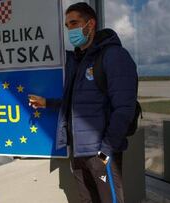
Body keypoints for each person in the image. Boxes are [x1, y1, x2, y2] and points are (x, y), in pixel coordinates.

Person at [29, 2, 138, 203]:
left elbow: (124, 109)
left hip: (102, 154)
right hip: (78, 152)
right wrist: (48, 103)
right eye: (67, 25)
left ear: (90, 24)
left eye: (74, 23)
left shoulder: (114, 56)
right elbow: (77, 102)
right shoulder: (80, 61)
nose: (71, 29)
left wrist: (104, 153)